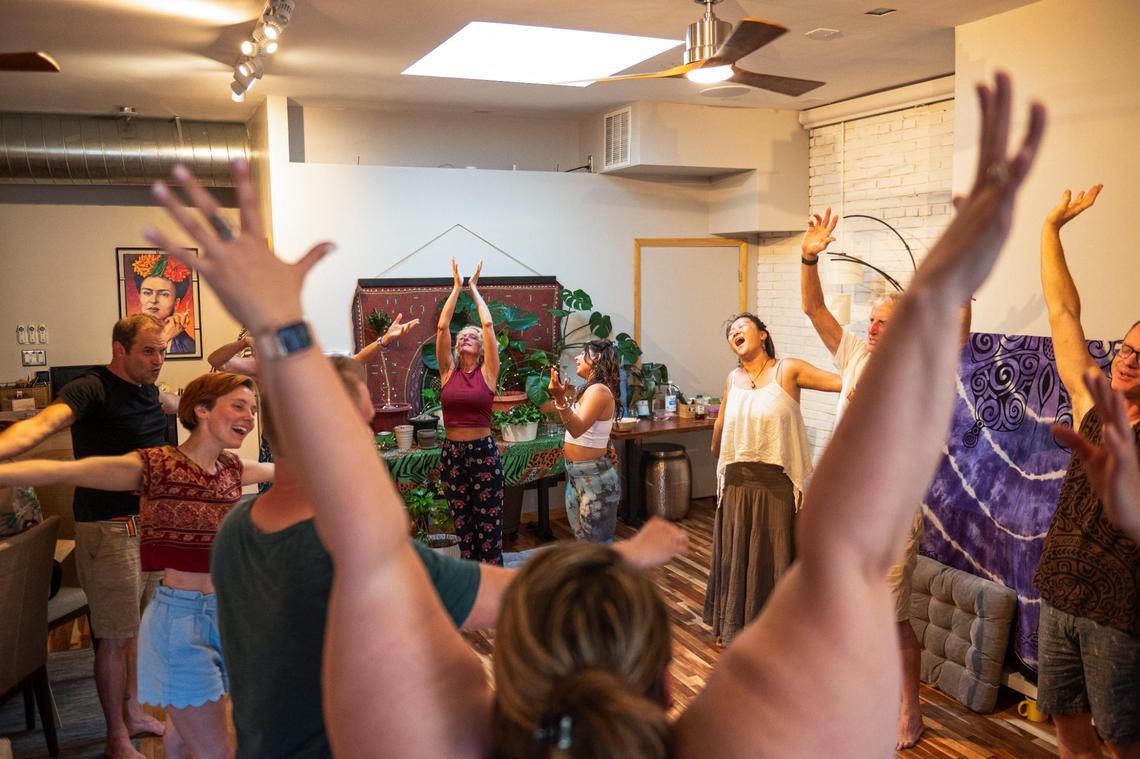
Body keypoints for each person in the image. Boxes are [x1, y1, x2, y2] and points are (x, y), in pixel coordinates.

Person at [142, 69, 1042, 758]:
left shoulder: (428, 719)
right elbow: (849, 551)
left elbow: (370, 559)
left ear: (498, 677)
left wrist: (281, 330)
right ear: (668, 680)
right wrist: (940, 297)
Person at [210, 354, 687, 758]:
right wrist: (629, 554)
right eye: (363, 425)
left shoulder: (237, 529)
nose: (371, 440)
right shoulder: (351, 551)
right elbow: (522, 592)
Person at [0, 372, 272, 759]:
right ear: (202, 409)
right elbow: (65, 472)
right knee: (215, 747)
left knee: (182, 735)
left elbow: (294, 472)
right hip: (183, 621)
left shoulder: (231, 469)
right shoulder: (156, 465)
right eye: (239, 406)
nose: (249, 416)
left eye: (253, 409)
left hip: (225, 615)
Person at [0, 314, 175, 759]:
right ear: (120, 350)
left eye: (161, 351)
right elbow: (41, 425)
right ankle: (116, 737)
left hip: (149, 526)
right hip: (110, 530)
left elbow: (174, 405)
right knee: (114, 638)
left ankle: (133, 712)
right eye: (148, 352)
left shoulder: (148, 388)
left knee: (136, 631)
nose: (158, 360)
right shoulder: (91, 388)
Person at [1035, 182, 1140, 758]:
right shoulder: (1093, 405)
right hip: (1059, 592)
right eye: (1125, 347)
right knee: (1068, 727)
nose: (1126, 360)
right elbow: (1063, 312)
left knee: (1122, 740)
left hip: (1120, 612)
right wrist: (1050, 230)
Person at [703, 313, 840, 645]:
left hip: (776, 485)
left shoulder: (787, 370)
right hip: (736, 485)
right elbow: (721, 424)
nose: (734, 332)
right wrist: (717, 450)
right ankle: (737, 629)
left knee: (775, 558)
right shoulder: (732, 378)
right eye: (730, 331)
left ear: (762, 334)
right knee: (737, 559)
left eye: (741, 326)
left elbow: (841, 382)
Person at [436, 257, 505, 564]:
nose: (466, 336)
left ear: (482, 347)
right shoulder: (447, 372)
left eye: (472, 336)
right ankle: (471, 584)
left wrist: (473, 288)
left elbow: (488, 325)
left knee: (488, 533)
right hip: (452, 454)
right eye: (462, 335)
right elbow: (442, 327)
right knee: (464, 533)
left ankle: (494, 585)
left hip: (482, 453)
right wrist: (455, 288)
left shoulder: (488, 373)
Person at [547, 339, 622, 543]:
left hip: (594, 477)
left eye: (583, 353)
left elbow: (577, 429)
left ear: (597, 358)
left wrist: (560, 398)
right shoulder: (588, 389)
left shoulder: (599, 391)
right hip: (576, 475)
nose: (577, 358)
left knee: (597, 547)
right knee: (585, 545)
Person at [131, 252, 197, 355]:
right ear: (140, 296)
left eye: (164, 294)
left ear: (176, 302)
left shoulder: (187, 345)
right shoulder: (127, 334)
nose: (153, 300)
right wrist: (165, 337)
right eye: (147, 293)